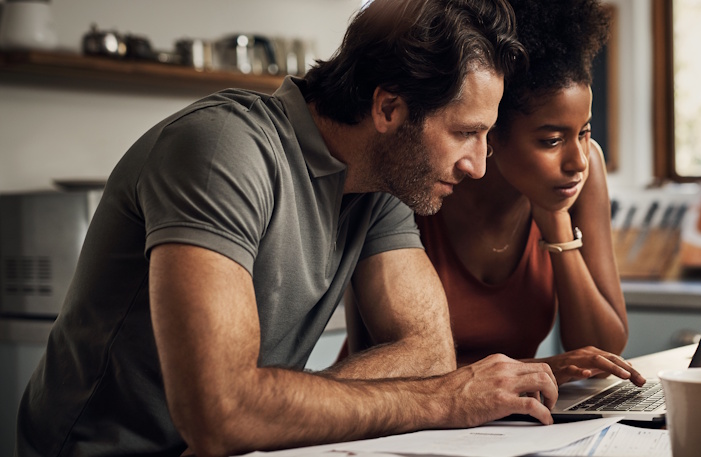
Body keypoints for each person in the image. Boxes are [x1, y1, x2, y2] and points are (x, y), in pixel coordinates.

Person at [15, 1, 564, 456]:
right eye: (465, 133)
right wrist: (442, 401)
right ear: (389, 108)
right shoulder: (223, 150)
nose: (478, 166)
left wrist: (270, 410)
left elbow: (428, 353)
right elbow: (222, 413)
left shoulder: (382, 183)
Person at [342, 0, 646, 388]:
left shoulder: (581, 175)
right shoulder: (419, 180)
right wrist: (544, 369)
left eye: (584, 131)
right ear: (491, 130)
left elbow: (603, 350)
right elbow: (386, 360)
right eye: (551, 140)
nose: (578, 161)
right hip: (394, 411)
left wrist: (555, 221)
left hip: (503, 419)